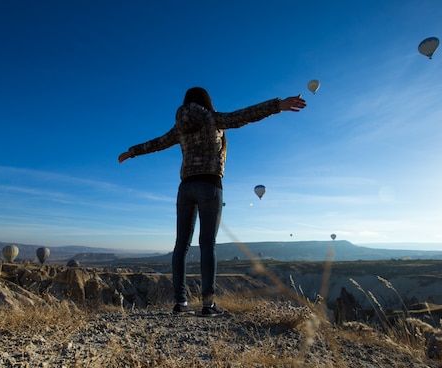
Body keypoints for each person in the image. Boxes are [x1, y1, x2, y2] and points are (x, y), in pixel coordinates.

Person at [118, 87, 306, 316]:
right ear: (207, 101)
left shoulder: (180, 127)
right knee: (207, 244)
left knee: (181, 245)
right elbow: (243, 115)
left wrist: (132, 152)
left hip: (185, 187)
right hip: (209, 185)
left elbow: (157, 143)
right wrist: (278, 105)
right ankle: (208, 304)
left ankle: (181, 303)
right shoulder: (211, 118)